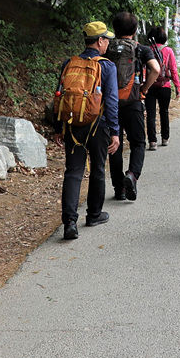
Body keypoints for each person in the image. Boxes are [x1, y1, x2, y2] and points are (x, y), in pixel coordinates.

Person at [55, 21, 121, 240]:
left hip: (72, 124)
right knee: (98, 169)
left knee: (73, 172)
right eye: (106, 39)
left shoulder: (69, 63)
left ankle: (69, 222)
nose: (108, 43)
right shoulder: (107, 66)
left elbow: (59, 96)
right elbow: (111, 101)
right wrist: (114, 131)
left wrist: (59, 127)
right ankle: (94, 214)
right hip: (98, 126)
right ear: (100, 41)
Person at [105, 12, 160, 202]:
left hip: (110, 104)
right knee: (138, 143)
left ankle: (119, 189)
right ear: (135, 30)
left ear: (114, 29)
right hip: (133, 102)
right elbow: (156, 69)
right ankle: (132, 175)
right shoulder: (141, 49)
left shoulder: (107, 48)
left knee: (114, 145)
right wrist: (144, 89)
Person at [145, 25, 180, 151]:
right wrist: (177, 87)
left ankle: (152, 141)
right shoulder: (168, 51)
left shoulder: (147, 50)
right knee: (164, 112)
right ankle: (165, 138)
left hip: (149, 86)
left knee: (150, 114)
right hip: (165, 86)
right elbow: (173, 70)